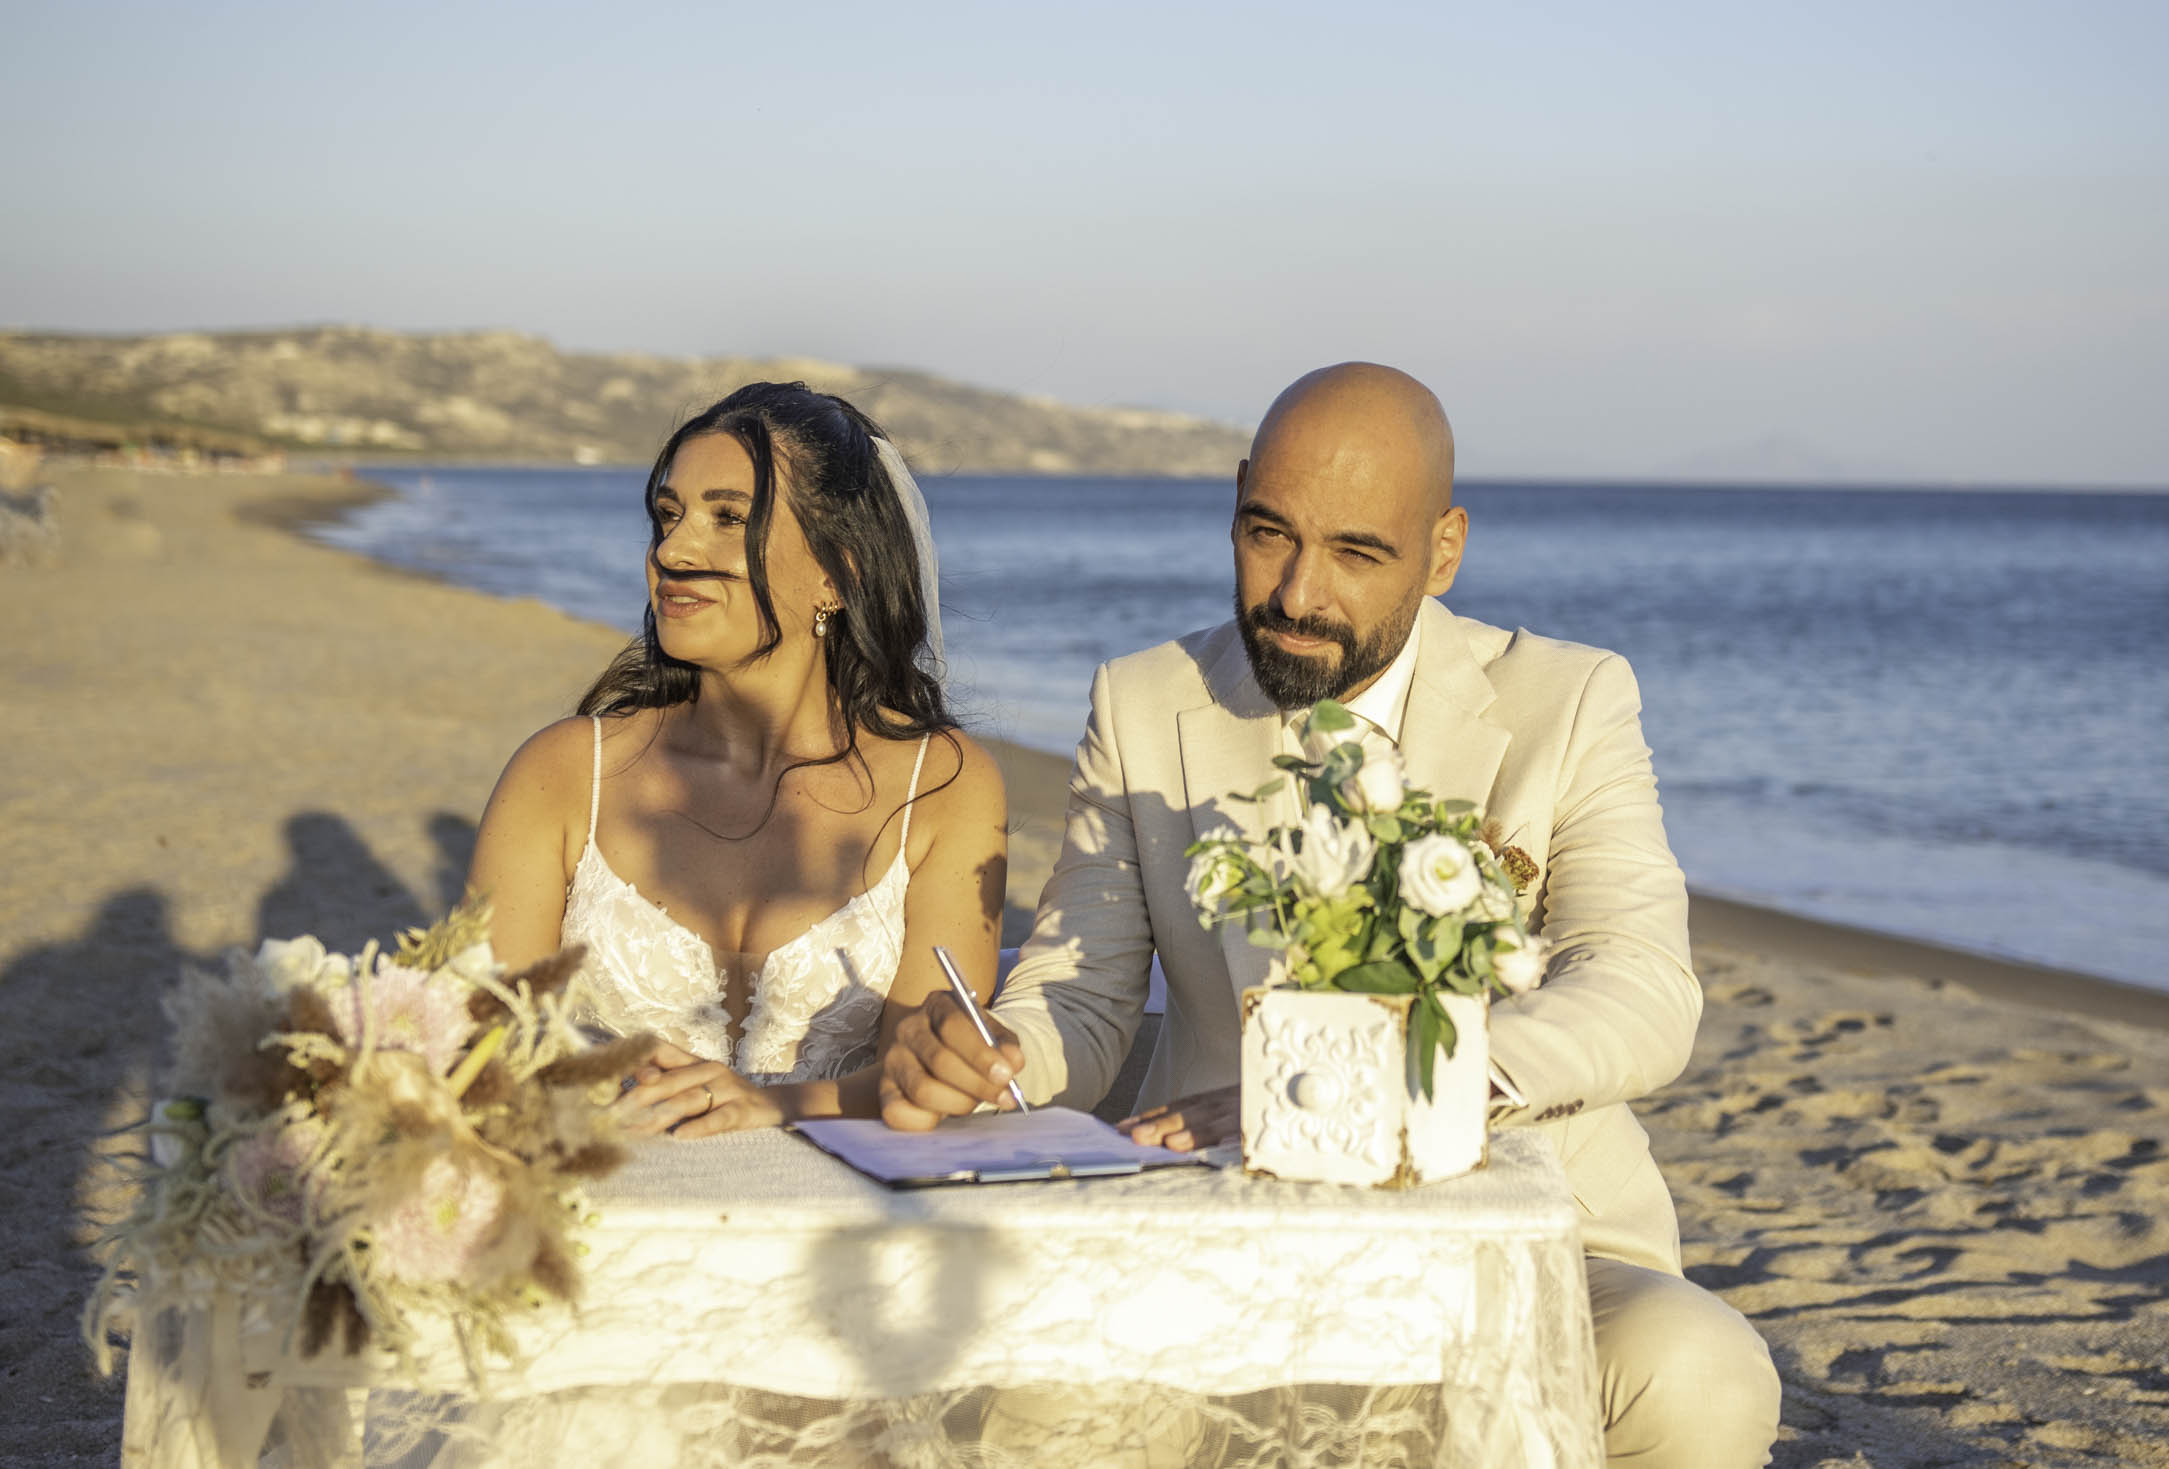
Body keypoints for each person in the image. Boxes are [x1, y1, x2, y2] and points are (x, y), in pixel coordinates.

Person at [880, 363, 1782, 1466]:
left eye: (1357, 552)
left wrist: (1373, 1093)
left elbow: (1641, 987)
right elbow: (1083, 985)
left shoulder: (1572, 699)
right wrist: (1001, 1048)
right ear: (1236, 503)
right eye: (1268, 534)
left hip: (1530, 1229)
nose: (1297, 593)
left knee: (1701, 1370)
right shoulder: (1142, 699)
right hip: (1222, 1223)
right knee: (1040, 1394)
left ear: (1442, 550)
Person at [468, 382, 1006, 1138]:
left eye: (728, 518)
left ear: (837, 572)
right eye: (667, 515)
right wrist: (599, 1077)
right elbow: (481, 1050)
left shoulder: (944, 785)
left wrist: (771, 1105)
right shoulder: (562, 775)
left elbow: (919, 1074)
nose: (674, 550)